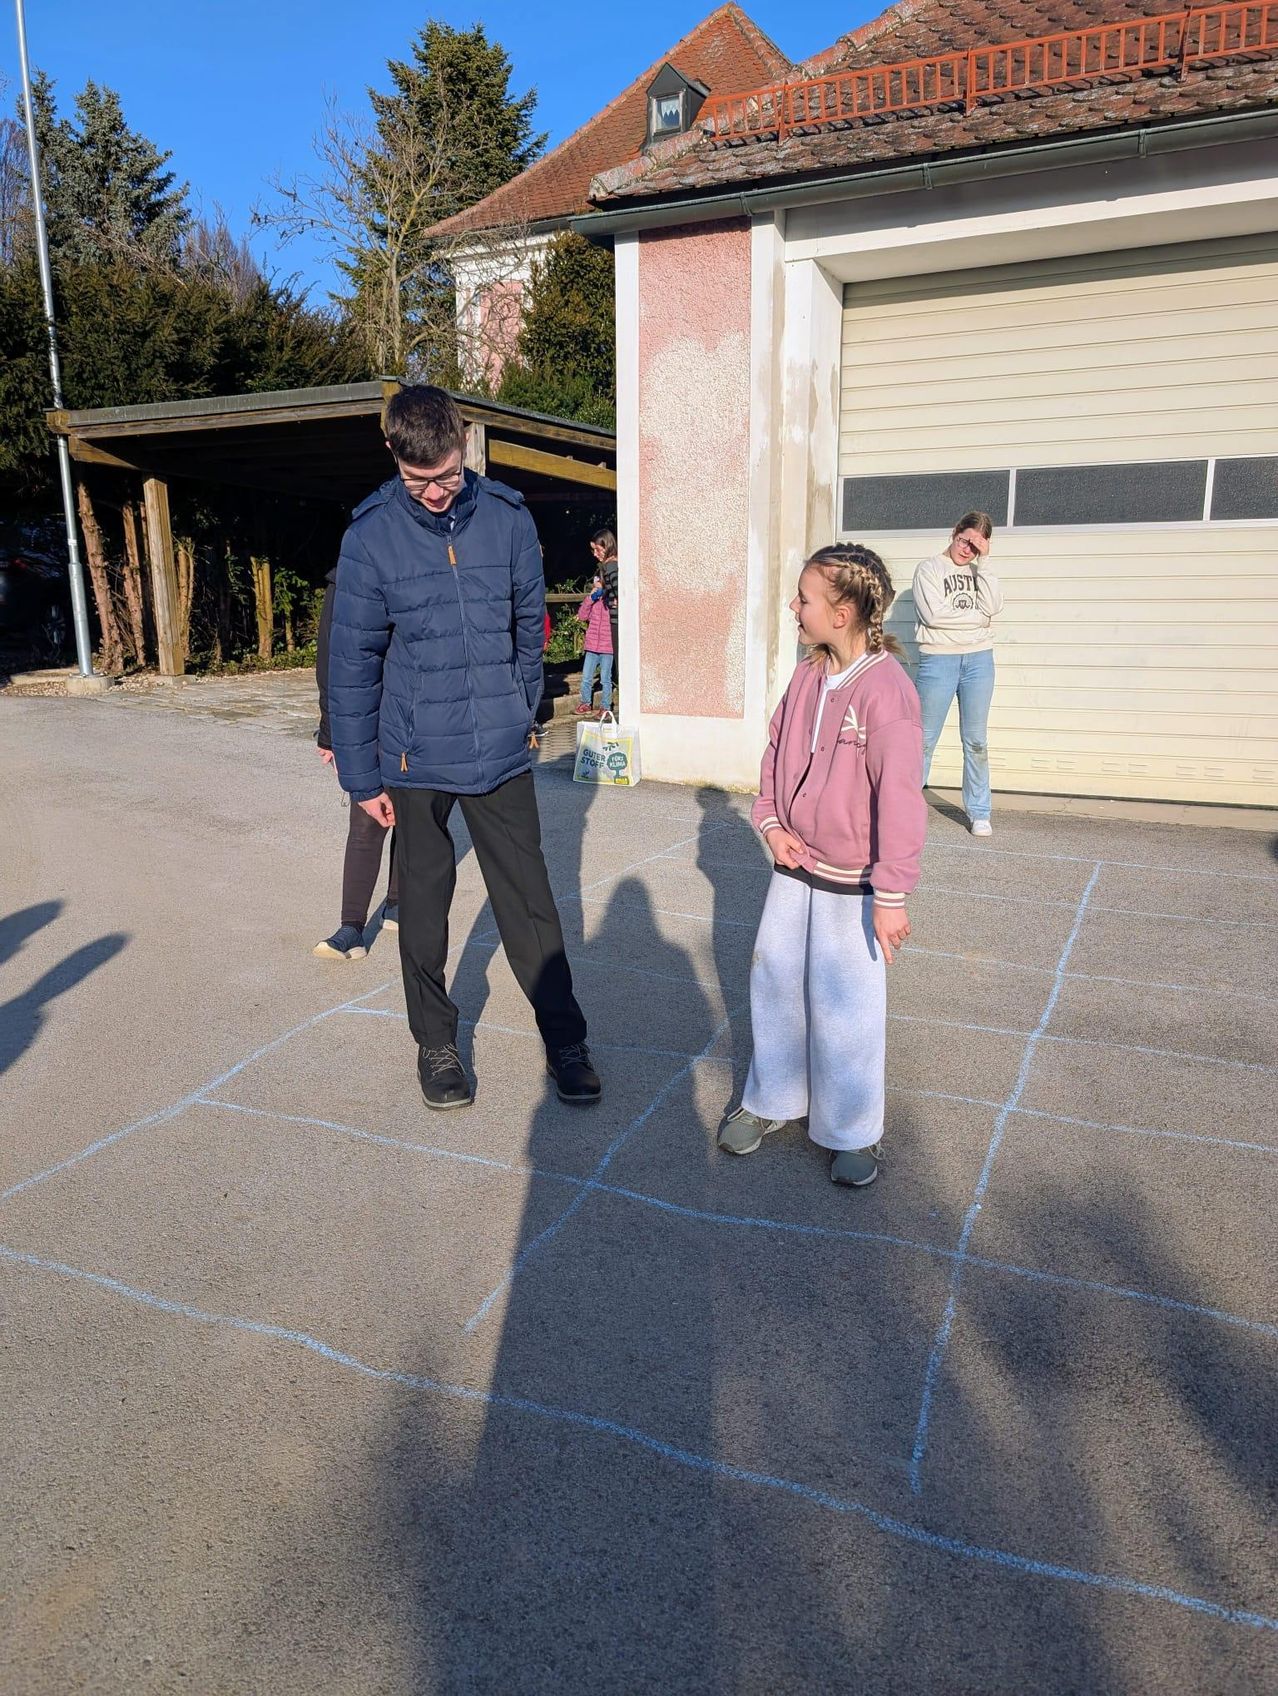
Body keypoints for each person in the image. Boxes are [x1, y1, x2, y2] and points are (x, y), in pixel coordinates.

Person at [327, 386, 600, 1109]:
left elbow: (527, 622)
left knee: (532, 905)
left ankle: (565, 1038)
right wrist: (362, 776)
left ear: (464, 444)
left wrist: (519, 707)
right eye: (420, 481)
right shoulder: (370, 536)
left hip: (501, 752)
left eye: (448, 474)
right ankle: (437, 1045)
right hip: (413, 758)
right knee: (421, 907)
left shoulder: (507, 518)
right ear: (393, 456)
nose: (439, 493)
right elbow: (352, 663)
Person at [718, 544, 925, 1188]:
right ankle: (773, 1098)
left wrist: (891, 893)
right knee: (774, 981)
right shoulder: (809, 673)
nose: (794, 607)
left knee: (847, 1004)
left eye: (804, 598)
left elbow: (899, 798)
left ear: (842, 612)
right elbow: (778, 746)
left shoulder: (887, 691)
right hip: (793, 867)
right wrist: (772, 823)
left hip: (854, 881)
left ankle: (852, 1130)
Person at [312, 565, 399, 960]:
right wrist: (330, 730)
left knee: (417, 815)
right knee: (368, 820)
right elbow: (330, 658)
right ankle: (352, 926)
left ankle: (398, 901)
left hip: (422, 713)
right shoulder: (346, 578)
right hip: (370, 715)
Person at [911, 511, 1003, 836]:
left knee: (976, 740)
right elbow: (933, 615)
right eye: (965, 541)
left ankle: (979, 812)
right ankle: (904, 809)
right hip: (939, 660)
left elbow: (994, 606)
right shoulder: (929, 569)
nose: (967, 551)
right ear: (955, 532)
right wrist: (978, 619)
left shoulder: (982, 572)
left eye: (976, 548)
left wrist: (986, 563)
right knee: (922, 740)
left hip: (979, 660)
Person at [575, 571, 613, 716]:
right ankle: (585, 703)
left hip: (607, 647)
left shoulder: (610, 601)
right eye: (595, 584)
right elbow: (582, 616)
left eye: (598, 583)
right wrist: (590, 598)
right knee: (586, 678)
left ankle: (605, 706)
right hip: (591, 646)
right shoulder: (593, 602)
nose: (596, 586)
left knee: (605, 679)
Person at [591, 527, 619, 682]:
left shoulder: (610, 567)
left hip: (616, 619)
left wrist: (615, 600)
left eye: (597, 549)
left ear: (606, 545)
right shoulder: (610, 566)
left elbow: (619, 588)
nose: (595, 554)